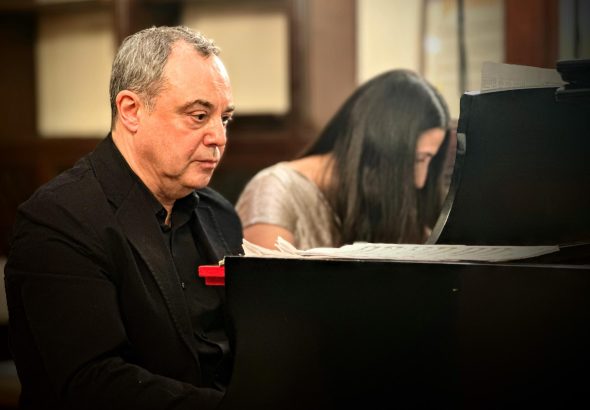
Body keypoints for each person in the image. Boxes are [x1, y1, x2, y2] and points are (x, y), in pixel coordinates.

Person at [4, 26, 242, 409]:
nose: (219, 137)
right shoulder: (59, 218)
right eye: (199, 116)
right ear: (131, 110)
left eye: (224, 119)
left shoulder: (220, 214)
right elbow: (91, 383)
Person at [236, 69, 452, 250]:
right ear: (378, 151)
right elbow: (267, 287)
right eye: (418, 160)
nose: (420, 181)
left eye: (429, 161)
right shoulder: (275, 190)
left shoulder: (378, 203)